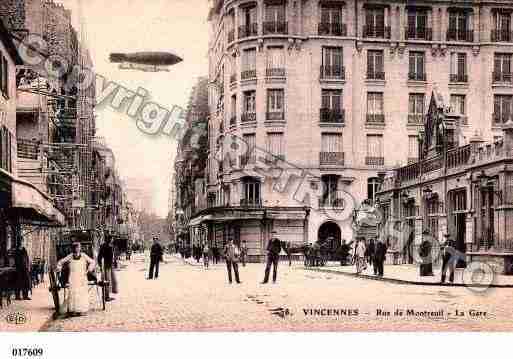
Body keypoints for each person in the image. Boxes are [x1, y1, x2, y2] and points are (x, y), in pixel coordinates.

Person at [56, 242, 95, 316]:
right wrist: (59, 268)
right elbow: (60, 262)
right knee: (73, 293)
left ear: (80, 248)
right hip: (73, 277)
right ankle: (73, 310)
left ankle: (81, 310)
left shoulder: (83, 256)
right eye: (75, 248)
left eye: (78, 247)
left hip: (82, 277)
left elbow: (92, 262)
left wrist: (89, 269)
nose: (76, 249)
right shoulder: (70, 256)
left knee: (82, 293)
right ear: (72, 249)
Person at [98, 236, 118, 301]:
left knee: (112, 279)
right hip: (106, 265)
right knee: (107, 280)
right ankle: (106, 296)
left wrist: (115, 262)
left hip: (110, 264)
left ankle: (111, 292)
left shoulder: (111, 246)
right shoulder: (104, 246)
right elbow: (99, 256)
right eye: (111, 238)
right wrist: (100, 265)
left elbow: (113, 256)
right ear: (109, 239)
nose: (112, 239)